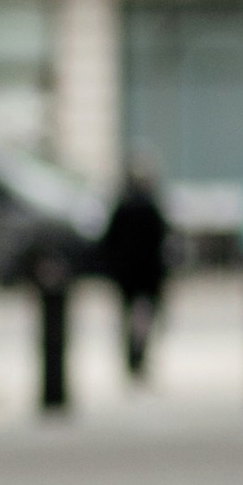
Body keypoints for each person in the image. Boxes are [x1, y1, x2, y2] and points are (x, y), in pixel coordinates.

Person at [99, 160, 170, 383]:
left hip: (128, 273)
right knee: (146, 317)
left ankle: (132, 359)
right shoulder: (152, 207)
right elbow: (163, 239)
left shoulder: (123, 207)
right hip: (148, 273)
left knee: (128, 316)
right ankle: (139, 357)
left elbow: (108, 241)